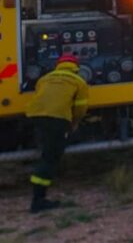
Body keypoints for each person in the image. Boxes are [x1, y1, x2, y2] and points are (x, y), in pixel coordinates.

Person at [25, 54, 88, 213]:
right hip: (57, 119)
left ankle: (38, 196)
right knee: (50, 158)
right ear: (76, 67)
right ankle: (38, 201)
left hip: (36, 117)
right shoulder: (78, 81)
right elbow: (80, 108)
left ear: (58, 65)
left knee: (47, 152)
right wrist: (74, 123)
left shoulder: (44, 79)